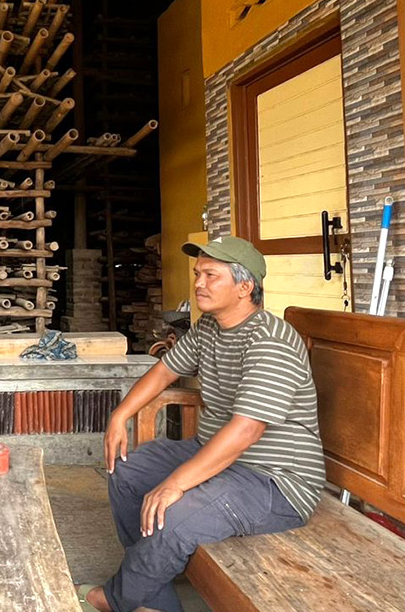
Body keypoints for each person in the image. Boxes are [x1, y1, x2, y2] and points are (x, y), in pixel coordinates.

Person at [77, 236, 325, 612]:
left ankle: (119, 598)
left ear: (244, 287)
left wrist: (175, 483)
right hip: (215, 454)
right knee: (127, 472)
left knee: (173, 512)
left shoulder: (271, 342)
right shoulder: (209, 327)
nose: (198, 283)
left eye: (211, 275)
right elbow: (164, 371)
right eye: (198, 274)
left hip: (274, 480)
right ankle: (154, 599)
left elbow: (247, 431)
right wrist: (119, 416)